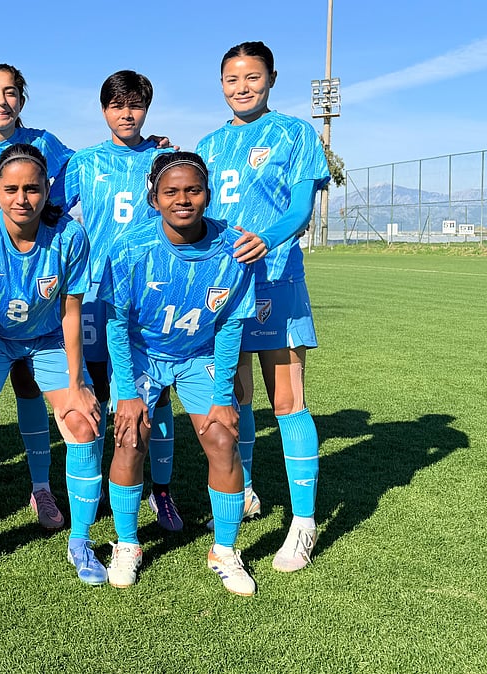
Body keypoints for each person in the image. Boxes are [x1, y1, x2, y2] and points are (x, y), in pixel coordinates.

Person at [196, 41, 330, 571]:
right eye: (232, 79)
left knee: (288, 401)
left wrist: (265, 239)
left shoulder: (296, 133)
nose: (242, 86)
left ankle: (303, 523)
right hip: (225, 289)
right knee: (237, 395)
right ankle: (246, 491)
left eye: (252, 77)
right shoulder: (207, 144)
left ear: (272, 77)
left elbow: (301, 209)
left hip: (276, 281)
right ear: (221, 83)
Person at [100, 152, 257, 594]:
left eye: (193, 190)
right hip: (143, 352)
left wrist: (224, 392)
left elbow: (228, 323)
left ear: (208, 195)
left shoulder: (233, 248)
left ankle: (224, 551)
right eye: (171, 192)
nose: (183, 199)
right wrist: (127, 391)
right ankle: (128, 544)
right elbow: (116, 323)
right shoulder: (130, 247)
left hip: (198, 353)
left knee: (224, 436)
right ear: (154, 198)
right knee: (130, 436)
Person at [0, 144, 103, 585]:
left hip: (47, 338)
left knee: (83, 422)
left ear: (47, 189)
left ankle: (80, 542)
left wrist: (76, 383)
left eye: (33, 189)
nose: (23, 198)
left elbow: (71, 311)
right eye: (12, 189)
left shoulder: (69, 236)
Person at [0, 63, 76, 530]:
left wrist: (152, 153)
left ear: (22, 99)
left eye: (10, 92)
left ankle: (40, 488)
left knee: (30, 387)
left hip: (38, 287)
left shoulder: (47, 143)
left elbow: (79, 176)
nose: (1, 100)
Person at [59, 70, 180, 532]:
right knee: (96, 392)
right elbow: (53, 211)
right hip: (95, 294)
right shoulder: (84, 161)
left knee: (157, 394)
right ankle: (99, 488)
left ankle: (161, 492)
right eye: (116, 105)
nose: (126, 114)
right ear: (104, 109)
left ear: (146, 108)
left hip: (152, 295)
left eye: (135, 105)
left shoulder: (165, 157)